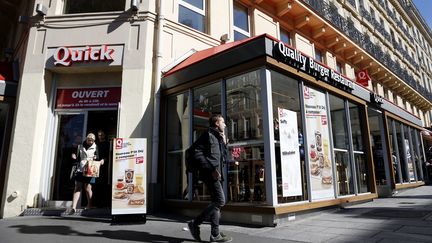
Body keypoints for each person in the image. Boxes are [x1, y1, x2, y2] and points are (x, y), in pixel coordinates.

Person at [187, 114, 232, 243]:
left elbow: (221, 156)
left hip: (216, 174)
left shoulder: (218, 137)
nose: (225, 124)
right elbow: (196, 153)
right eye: (222, 122)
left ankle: (215, 235)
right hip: (209, 173)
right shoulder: (207, 135)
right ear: (216, 123)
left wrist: (224, 142)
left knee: (216, 204)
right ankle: (195, 223)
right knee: (220, 201)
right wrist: (211, 169)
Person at [70, 133, 104, 213]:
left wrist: (99, 160)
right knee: (78, 187)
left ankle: (89, 205)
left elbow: (98, 157)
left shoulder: (96, 147)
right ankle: (74, 207)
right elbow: (76, 156)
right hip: (81, 169)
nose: (91, 142)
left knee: (88, 188)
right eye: (89, 140)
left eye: (92, 140)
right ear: (86, 139)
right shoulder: (80, 146)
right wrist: (74, 156)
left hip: (90, 169)